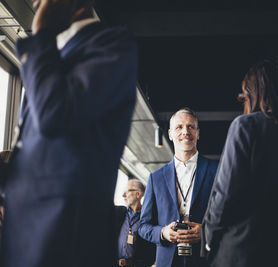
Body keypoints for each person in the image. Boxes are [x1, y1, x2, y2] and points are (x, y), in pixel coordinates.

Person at [0, 0, 138, 266]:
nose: (37, 4)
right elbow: (34, 164)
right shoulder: (51, 58)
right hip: (27, 239)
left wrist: (41, 32)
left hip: (64, 239)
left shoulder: (111, 46)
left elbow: (54, 115)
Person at [201, 60, 278, 267]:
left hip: (245, 253)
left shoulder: (246, 127)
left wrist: (209, 237)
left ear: (251, 94)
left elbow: (225, 194)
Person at [139, 107, 218, 267]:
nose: (185, 132)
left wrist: (205, 232)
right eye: (179, 127)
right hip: (167, 261)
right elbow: (143, 226)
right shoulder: (156, 178)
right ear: (170, 134)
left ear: (198, 133)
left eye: (191, 127)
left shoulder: (217, 170)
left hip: (205, 258)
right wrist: (163, 232)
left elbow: (230, 216)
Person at [114, 178, 155, 267]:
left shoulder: (149, 217)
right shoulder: (119, 212)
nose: (123, 195)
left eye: (127, 191)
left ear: (138, 194)